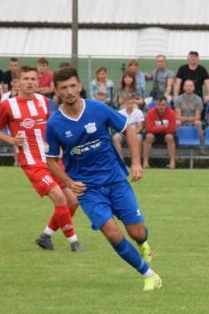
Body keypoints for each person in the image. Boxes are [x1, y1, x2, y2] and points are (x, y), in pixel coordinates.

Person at [45, 68, 161, 291]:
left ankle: (143, 243)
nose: (69, 91)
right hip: (87, 189)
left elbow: (128, 130)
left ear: (80, 86)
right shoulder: (54, 124)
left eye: (72, 86)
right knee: (112, 233)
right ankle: (150, 275)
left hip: (115, 180)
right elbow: (50, 161)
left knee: (136, 232)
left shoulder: (97, 108)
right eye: (63, 88)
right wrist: (69, 183)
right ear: (56, 91)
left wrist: (136, 163)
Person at [0, 66, 81, 252]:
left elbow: (51, 127)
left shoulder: (43, 101)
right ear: (18, 82)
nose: (30, 82)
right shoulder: (8, 105)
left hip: (52, 160)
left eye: (33, 79)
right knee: (59, 198)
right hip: (32, 163)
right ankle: (74, 243)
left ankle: (45, 236)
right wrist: (11, 140)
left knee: (73, 201)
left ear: (37, 82)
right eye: (26, 79)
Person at [143, 95, 177, 169]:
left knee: (169, 137)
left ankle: (172, 162)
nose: (161, 107)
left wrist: (156, 127)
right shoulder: (151, 112)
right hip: (154, 135)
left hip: (167, 135)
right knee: (149, 136)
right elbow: (149, 128)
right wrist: (163, 127)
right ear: (156, 104)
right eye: (159, 105)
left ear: (166, 105)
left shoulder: (171, 113)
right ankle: (145, 162)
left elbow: (172, 129)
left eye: (163, 105)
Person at [176, 79, 204, 145]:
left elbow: (198, 116)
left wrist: (188, 119)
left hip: (193, 121)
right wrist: (186, 119)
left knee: (198, 123)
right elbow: (178, 116)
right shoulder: (178, 99)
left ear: (194, 88)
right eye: (187, 86)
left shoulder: (198, 99)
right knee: (177, 123)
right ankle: (176, 143)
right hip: (182, 121)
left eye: (191, 86)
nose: (189, 88)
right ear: (183, 87)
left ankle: (201, 145)